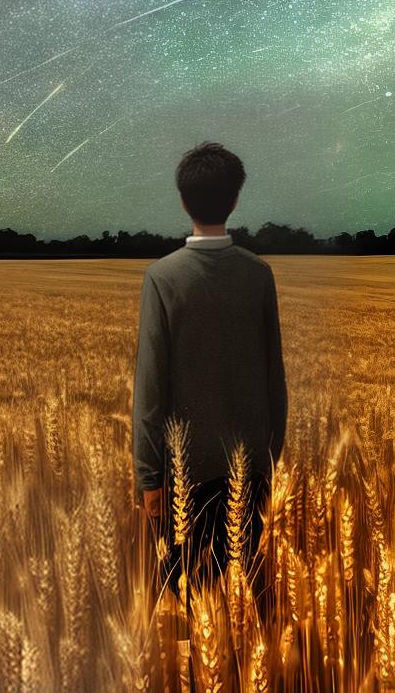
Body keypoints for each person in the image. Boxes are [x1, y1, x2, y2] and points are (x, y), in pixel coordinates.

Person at [131, 141, 288, 589]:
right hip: (251, 469)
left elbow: (151, 384)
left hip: (182, 475)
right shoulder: (259, 275)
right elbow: (273, 377)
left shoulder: (162, 277)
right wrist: (269, 462)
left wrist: (148, 473)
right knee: (239, 593)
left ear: (182, 201)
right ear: (236, 199)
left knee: (180, 598)